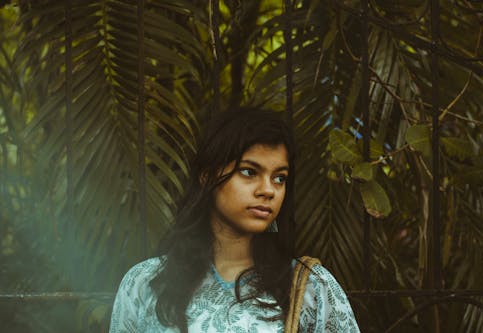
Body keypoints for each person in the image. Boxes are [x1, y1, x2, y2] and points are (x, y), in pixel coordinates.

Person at [109, 108, 360, 332]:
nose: (268, 190)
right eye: (250, 172)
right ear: (207, 177)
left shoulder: (310, 288)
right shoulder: (146, 283)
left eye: (279, 178)